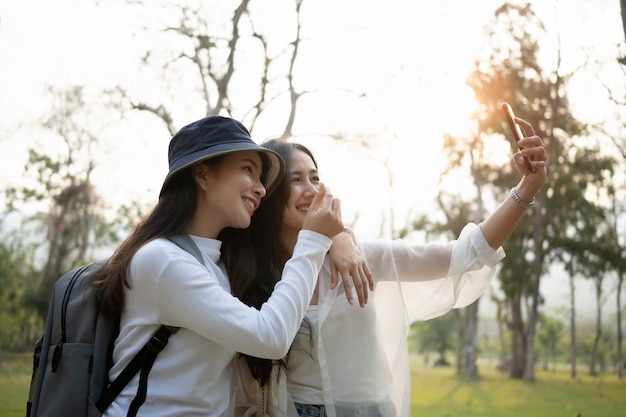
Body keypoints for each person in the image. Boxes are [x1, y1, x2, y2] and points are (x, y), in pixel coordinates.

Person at [229, 116, 548, 417]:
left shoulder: (362, 258)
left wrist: (527, 187)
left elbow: (467, 254)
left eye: (315, 177)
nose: (312, 190)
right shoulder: (254, 276)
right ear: (269, 196)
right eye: (295, 180)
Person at [92, 115, 348, 417]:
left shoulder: (219, 262)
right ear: (202, 174)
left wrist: (342, 239)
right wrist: (314, 241)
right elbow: (270, 337)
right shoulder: (163, 261)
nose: (261, 189)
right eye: (248, 170)